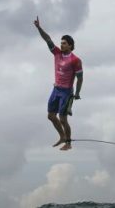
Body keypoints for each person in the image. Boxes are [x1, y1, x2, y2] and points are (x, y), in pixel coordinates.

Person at [34, 16, 83, 151]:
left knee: (63, 119)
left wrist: (77, 93)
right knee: (50, 116)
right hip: (56, 89)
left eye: (64, 43)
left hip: (66, 93)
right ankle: (62, 136)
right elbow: (48, 39)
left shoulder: (75, 60)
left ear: (71, 46)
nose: (61, 45)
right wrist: (39, 28)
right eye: (61, 43)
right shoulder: (57, 53)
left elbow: (80, 78)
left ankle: (68, 142)